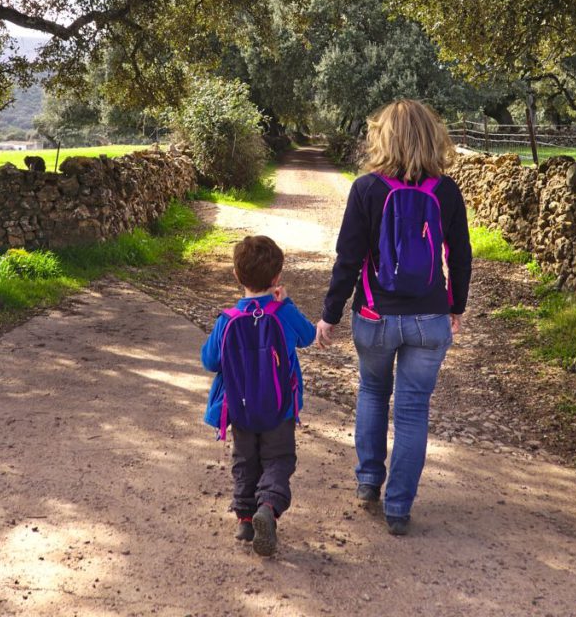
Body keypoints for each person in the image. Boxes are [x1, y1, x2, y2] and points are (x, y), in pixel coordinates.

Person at [317, 99, 472, 536]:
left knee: (371, 391)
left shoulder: (366, 189)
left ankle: (369, 481)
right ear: (431, 136)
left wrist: (330, 314)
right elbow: (460, 256)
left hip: (375, 316)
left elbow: (347, 259)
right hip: (429, 319)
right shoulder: (446, 191)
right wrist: (455, 305)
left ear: (382, 137)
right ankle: (399, 507)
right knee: (411, 410)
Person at [201, 235, 316, 556]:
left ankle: (245, 519)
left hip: (239, 408)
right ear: (277, 278)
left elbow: (210, 361)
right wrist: (286, 303)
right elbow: (307, 337)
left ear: (237, 276)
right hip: (280, 409)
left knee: (245, 460)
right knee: (278, 459)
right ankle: (268, 505)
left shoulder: (227, 320)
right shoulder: (282, 313)